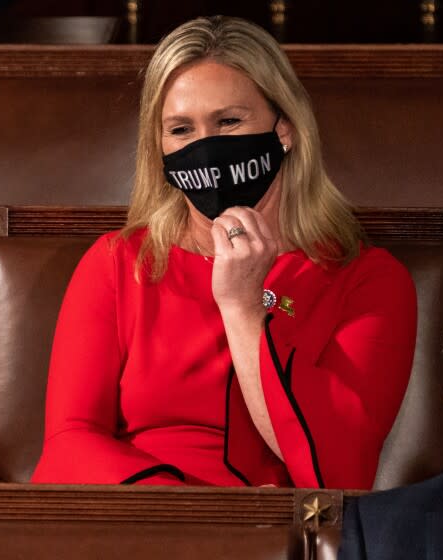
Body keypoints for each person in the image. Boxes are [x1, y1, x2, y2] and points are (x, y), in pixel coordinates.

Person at [30, 15, 417, 489]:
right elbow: (70, 442)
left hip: (274, 537)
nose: (205, 148)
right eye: (180, 130)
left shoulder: (367, 280)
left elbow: (338, 472)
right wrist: (192, 521)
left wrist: (243, 309)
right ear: (159, 147)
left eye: (228, 122)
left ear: (285, 129)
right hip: (138, 521)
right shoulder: (119, 263)